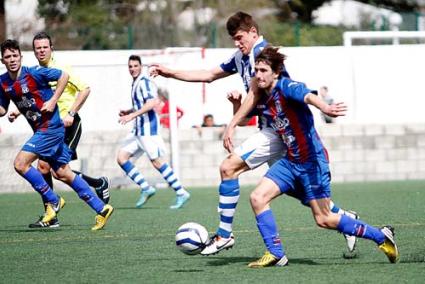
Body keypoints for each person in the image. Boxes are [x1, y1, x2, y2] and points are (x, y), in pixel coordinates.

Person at [150, 11, 358, 256]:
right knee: (297, 189)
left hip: (278, 131)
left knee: (228, 168)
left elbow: (254, 95)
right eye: (234, 39)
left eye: (240, 37)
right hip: (275, 130)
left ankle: (224, 235)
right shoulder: (241, 56)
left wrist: (232, 124)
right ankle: (343, 218)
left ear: (253, 32)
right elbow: (209, 75)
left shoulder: (263, 55)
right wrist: (170, 73)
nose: (238, 43)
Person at [224, 46, 399, 267]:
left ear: (276, 72)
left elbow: (307, 95)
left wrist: (326, 107)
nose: (258, 74)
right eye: (256, 70)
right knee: (258, 198)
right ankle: (276, 253)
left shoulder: (286, 86)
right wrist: (235, 107)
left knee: (324, 219)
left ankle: (380, 236)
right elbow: (243, 118)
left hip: (311, 163)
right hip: (290, 162)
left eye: (263, 70)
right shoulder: (264, 97)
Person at [0, 39, 113, 230]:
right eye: (7, 57)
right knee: (62, 172)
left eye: (15, 55)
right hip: (41, 129)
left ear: (20, 56)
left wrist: (53, 100)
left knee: (20, 164)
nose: (12, 59)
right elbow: (2, 109)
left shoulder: (34, 72)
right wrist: (13, 113)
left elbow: (64, 75)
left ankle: (53, 200)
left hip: (51, 128)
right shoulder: (3, 82)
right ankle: (101, 208)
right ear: (2, 60)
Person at [117, 55, 190, 209]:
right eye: (130, 66)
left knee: (157, 162)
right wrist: (129, 111)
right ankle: (146, 188)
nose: (132, 69)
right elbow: (142, 105)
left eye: (135, 66)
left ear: (141, 67)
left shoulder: (145, 82)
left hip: (148, 129)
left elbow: (152, 103)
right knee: (122, 158)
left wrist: (131, 115)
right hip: (138, 130)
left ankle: (181, 192)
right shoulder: (135, 83)